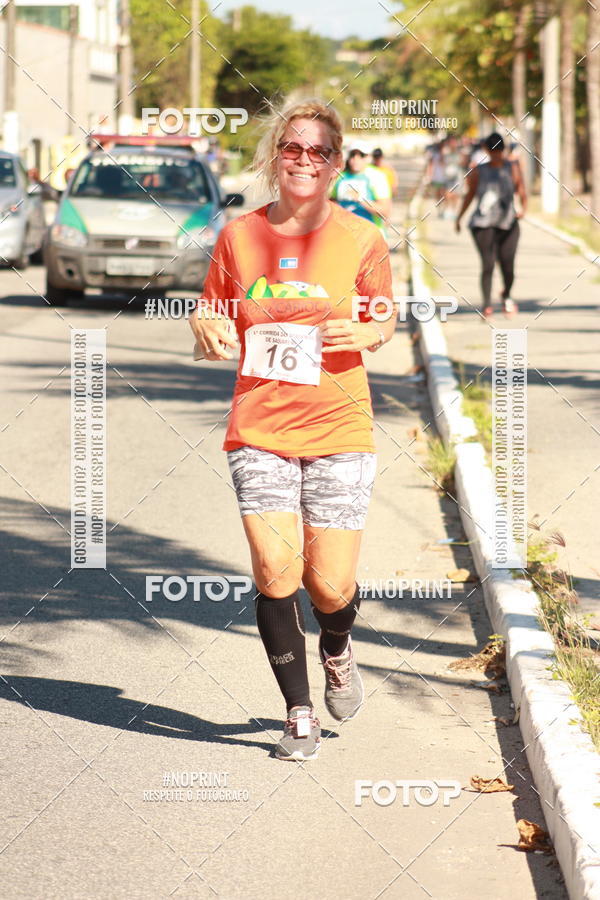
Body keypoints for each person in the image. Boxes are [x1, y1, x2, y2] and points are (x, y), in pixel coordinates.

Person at [189, 99, 395, 761]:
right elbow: (212, 312)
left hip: (339, 426)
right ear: (275, 157)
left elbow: (385, 318)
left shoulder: (362, 238)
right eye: (293, 148)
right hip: (259, 426)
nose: (305, 160)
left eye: (319, 151)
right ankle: (298, 713)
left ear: (336, 164)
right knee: (277, 571)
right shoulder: (239, 236)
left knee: (329, 585)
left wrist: (368, 332)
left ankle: (337, 644)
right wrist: (204, 326)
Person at [455, 132, 527, 319]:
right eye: (493, 151)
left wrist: (523, 208)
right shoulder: (478, 171)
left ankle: (506, 294)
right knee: (488, 264)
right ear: (486, 150)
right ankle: (487, 304)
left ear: (504, 150)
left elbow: (521, 189)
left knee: (508, 264)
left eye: (499, 151)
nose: (496, 155)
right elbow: (470, 195)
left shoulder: (512, 168)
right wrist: (459, 217)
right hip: (483, 224)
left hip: (508, 223)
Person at [330, 140, 391, 231]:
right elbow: (332, 203)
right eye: (352, 155)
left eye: (361, 155)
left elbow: (385, 211)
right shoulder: (340, 177)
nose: (356, 159)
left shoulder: (377, 176)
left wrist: (360, 199)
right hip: (345, 233)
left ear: (368, 157)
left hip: (370, 234)